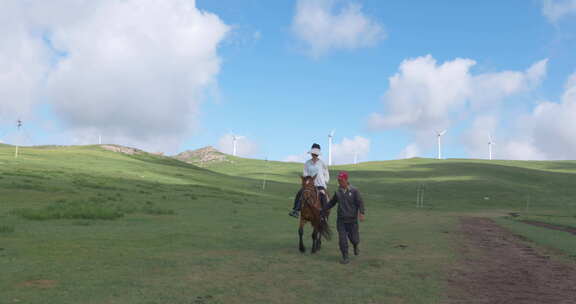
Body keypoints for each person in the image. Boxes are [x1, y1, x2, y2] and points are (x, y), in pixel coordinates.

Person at [326, 171, 365, 264]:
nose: (340, 182)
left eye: (341, 180)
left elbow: (360, 202)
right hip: (341, 220)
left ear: (346, 180)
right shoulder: (338, 192)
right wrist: (322, 210)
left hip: (352, 220)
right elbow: (332, 203)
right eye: (339, 180)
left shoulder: (354, 190)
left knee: (354, 239)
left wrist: (361, 213)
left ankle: (355, 245)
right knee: (342, 240)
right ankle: (345, 257)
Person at [288, 143, 330, 218]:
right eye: (313, 153)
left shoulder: (322, 163)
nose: (314, 155)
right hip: (309, 185)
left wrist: (325, 182)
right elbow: (305, 173)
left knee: (323, 197)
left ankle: (323, 214)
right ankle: (296, 210)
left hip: (320, 184)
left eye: (315, 154)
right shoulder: (307, 163)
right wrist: (307, 180)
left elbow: (326, 174)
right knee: (300, 193)